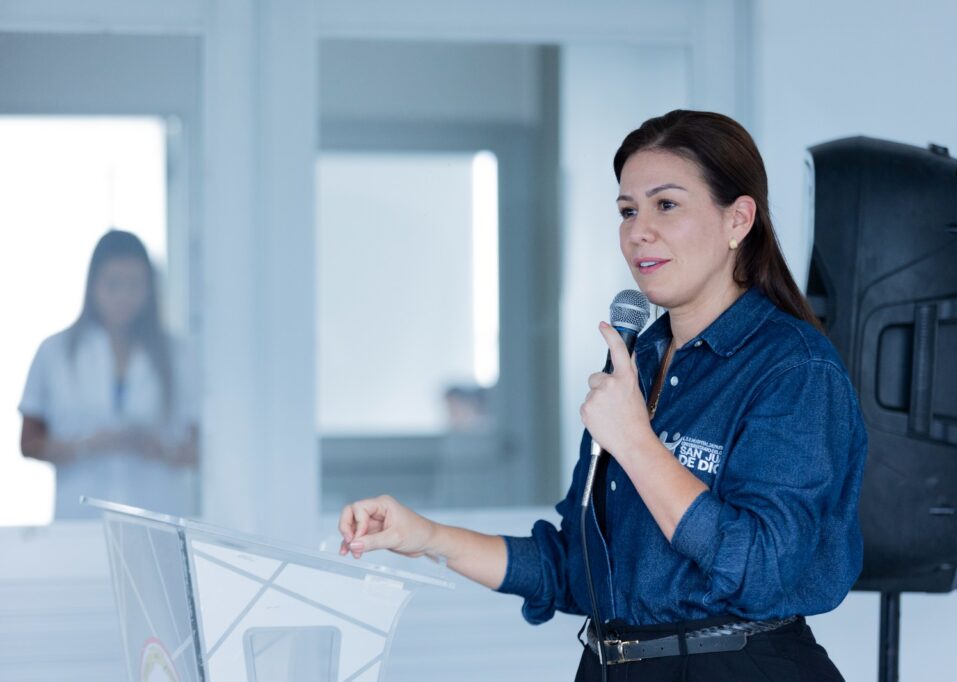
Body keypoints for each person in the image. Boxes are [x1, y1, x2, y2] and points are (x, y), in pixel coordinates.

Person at [337, 110, 867, 681]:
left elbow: (762, 566)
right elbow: (575, 568)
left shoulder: (792, 368)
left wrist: (636, 443)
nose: (639, 230)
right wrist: (427, 536)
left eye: (667, 205)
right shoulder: (636, 362)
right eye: (627, 211)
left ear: (738, 219)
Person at [20, 229, 199, 519]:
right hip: (79, 519)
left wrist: (158, 450)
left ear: (149, 289)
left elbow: (201, 449)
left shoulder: (179, 354)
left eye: (135, 285)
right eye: (113, 285)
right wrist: (87, 445)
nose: (124, 297)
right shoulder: (55, 352)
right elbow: (28, 443)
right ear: (93, 286)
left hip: (158, 515)